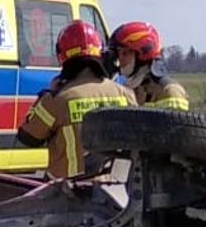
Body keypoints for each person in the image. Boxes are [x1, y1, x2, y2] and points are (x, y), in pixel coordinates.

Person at [19, 20, 135, 180]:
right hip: (114, 189)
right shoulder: (125, 95)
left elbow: (28, 137)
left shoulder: (57, 99)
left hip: (67, 190)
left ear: (62, 55)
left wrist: (48, 93)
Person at [111, 21, 190, 110]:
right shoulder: (128, 87)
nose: (119, 59)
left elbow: (175, 118)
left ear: (143, 55)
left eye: (124, 53)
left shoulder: (171, 93)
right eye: (118, 54)